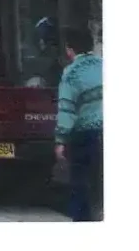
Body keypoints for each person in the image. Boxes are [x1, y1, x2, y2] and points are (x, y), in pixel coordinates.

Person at [56, 27, 103, 221]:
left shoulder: (71, 73)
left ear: (69, 49)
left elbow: (67, 110)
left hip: (84, 135)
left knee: (79, 184)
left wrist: (60, 141)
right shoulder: (103, 65)